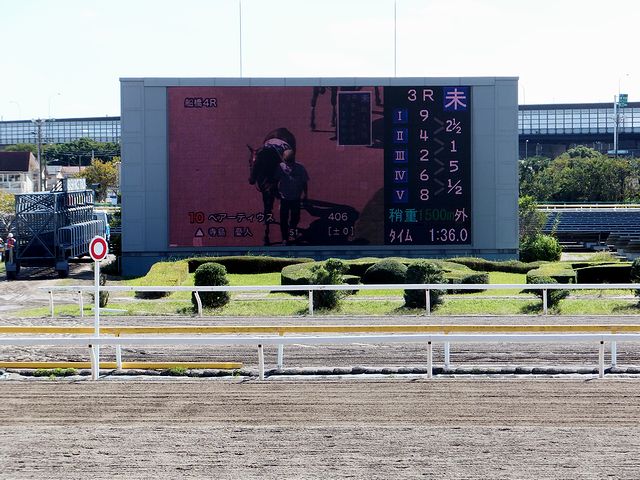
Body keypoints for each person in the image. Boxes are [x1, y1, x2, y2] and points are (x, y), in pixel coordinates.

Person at [277, 145, 309, 245]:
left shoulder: (300, 168)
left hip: (296, 198)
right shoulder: (280, 167)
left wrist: (305, 194)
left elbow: (304, 182)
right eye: (287, 161)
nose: (288, 163)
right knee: (283, 219)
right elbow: (275, 180)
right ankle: (285, 238)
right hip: (284, 198)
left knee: (296, 217)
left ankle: (292, 229)